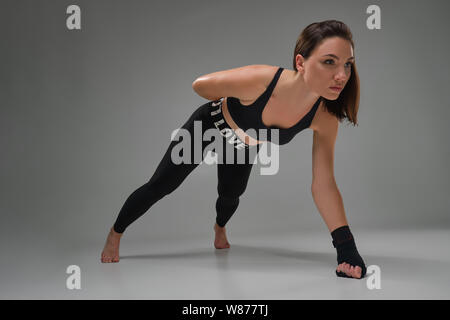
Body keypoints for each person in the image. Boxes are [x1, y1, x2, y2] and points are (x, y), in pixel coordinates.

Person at [101, 20, 367, 280]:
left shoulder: (324, 116)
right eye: (329, 62)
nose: (342, 75)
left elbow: (324, 185)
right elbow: (200, 85)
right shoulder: (263, 79)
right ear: (300, 62)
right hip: (210, 125)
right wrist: (240, 90)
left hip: (243, 145)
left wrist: (346, 247)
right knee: (161, 185)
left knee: (231, 196)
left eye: (347, 64)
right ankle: (116, 233)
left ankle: (219, 228)